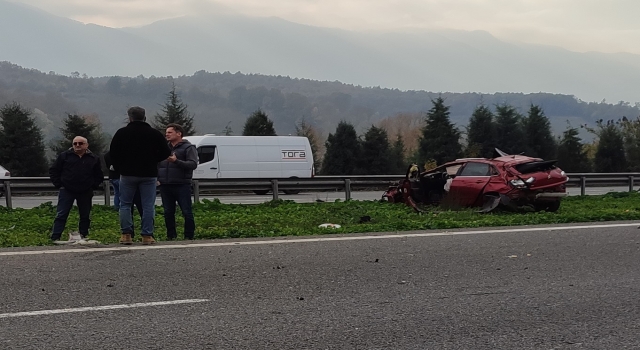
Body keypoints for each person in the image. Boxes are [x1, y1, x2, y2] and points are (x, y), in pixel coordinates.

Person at [109, 106, 171, 245]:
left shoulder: (122, 133)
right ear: (144, 117)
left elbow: (113, 154)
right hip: (149, 174)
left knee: (125, 204)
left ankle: (126, 235)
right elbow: (166, 152)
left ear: (129, 117)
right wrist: (154, 159)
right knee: (148, 205)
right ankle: (147, 236)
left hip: (128, 174)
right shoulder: (154, 133)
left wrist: (121, 167)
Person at [49, 136, 104, 243]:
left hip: (85, 191)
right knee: (61, 214)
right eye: (75, 143)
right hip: (67, 190)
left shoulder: (93, 158)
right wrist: (59, 184)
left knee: (85, 215)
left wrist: (93, 186)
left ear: (86, 145)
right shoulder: (64, 156)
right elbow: (54, 170)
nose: (77, 145)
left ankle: (83, 235)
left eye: (80, 143)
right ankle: (55, 236)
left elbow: (99, 174)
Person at [158, 123, 198, 240]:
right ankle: (171, 236)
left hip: (182, 185)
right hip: (165, 185)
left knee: (186, 211)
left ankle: (189, 236)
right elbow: (158, 164)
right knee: (168, 212)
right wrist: (157, 178)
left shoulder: (188, 148)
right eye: (166, 132)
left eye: (170, 132)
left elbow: (193, 164)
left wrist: (176, 161)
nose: (167, 134)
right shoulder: (165, 148)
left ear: (179, 134)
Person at [104, 150, 143, 236]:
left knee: (119, 195)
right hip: (125, 178)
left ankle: (127, 231)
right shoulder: (125, 153)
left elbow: (110, 167)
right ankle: (146, 232)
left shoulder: (107, 155)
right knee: (138, 203)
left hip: (113, 177)